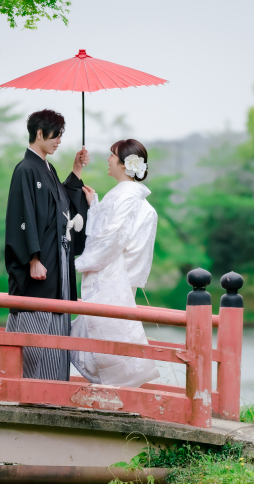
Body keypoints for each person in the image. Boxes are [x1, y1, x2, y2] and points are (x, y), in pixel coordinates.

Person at [5, 110, 90, 380]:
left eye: (61, 135)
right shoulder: (25, 169)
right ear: (39, 133)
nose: (60, 141)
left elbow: (60, 206)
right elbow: (22, 215)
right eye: (56, 135)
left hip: (58, 263)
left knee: (57, 324)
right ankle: (33, 393)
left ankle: (54, 391)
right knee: (37, 325)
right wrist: (33, 258)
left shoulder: (47, 168)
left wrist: (76, 171)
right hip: (40, 265)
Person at [70, 139, 160, 389]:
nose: (108, 159)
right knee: (109, 331)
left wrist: (81, 262)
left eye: (112, 155)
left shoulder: (126, 196)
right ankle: (118, 388)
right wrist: (95, 205)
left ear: (124, 163)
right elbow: (113, 231)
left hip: (111, 274)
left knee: (103, 330)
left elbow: (112, 237)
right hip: (120, 274)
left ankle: (114, 388)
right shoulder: (131, 196)